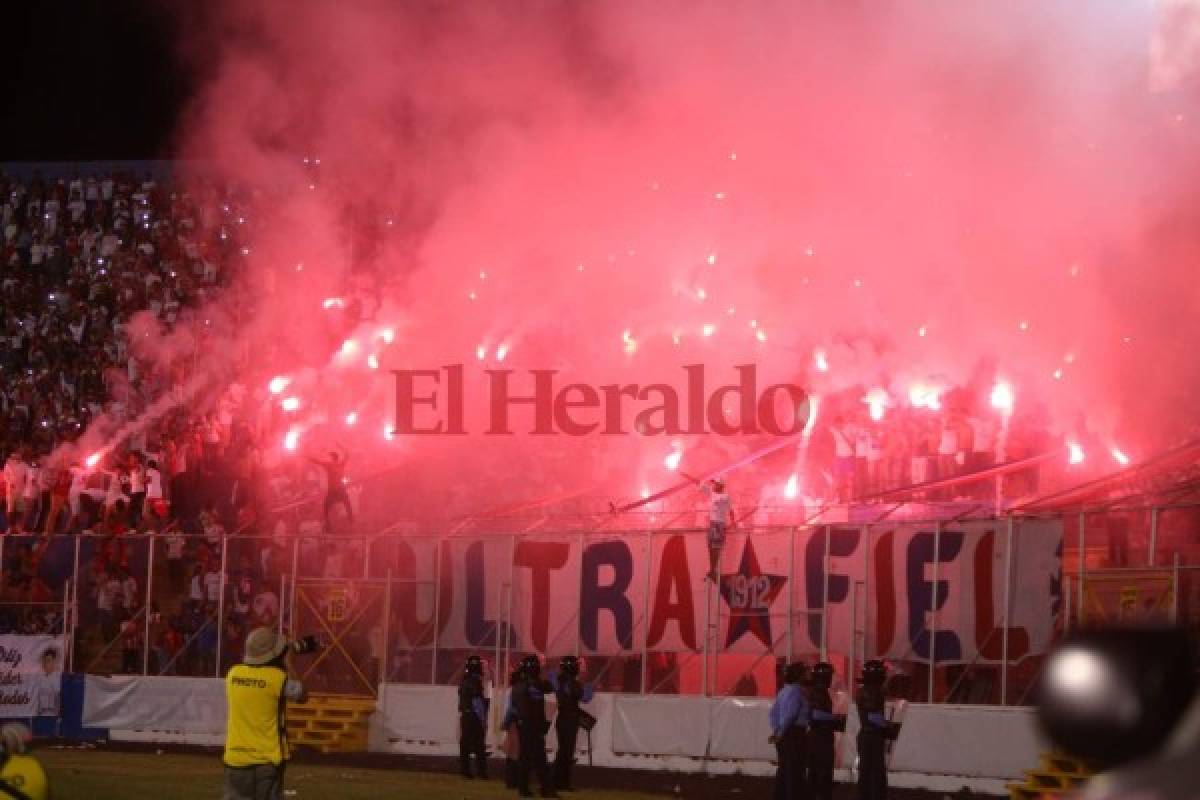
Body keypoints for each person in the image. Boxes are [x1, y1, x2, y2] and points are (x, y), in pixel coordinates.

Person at [223, 628, 311, 800]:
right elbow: (303, 695)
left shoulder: (233, 674)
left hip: (235, 759)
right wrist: (288, 662)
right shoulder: (277, 678)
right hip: (267, 759)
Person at [511, 654, 557, 798]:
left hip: (523, 724)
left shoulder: (518, 684)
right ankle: (545, 789)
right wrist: (548, 672)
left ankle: (524, 789)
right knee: (540, 759)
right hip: (532, 726)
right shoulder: (533, 684)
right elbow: (550, 687)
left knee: (524, 757)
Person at [550, 655, 594, 792]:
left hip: (562, 718)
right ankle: (561, 783)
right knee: (566, 754)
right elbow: (586, 698)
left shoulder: (560, 680)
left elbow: (553, 676)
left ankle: (558, 783)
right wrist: (587, 681)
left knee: (563, 753)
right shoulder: (571, 682)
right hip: (569, 720)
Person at [768, 661, 810, 800]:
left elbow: (773, 713)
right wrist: (781, 732)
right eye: (805, 672)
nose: (807, 675)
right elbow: (791, 714)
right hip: (794, 734)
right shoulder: (797, 691)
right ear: (799, 676)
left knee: (784, 771)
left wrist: (777, 730)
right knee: (794, 772)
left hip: (785, 734)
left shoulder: (783, 691)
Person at [855, 660, 890, 800]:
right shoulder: (872, 692)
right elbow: (873, 716)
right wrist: (887, 727)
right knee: (875, 773)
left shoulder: (864, 690)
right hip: (872, 736)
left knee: (866, 772)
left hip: (867, 735)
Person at [806, 662, 839, 800]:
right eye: (829, 676)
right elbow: (816, 714)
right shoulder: (818, 691)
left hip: (817, 737)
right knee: (822, 772)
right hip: (821, 738)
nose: (831, 678)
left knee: (814, 772)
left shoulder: (817, 690)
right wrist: (836, 719)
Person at [458, 654, 490, 780]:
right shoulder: (475, 681)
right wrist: (482, 719)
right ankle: (482, 772)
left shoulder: (465, 680)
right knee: (479, 745)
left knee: (465, 744)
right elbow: (478, 702)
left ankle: (465, 770)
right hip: (474, 716)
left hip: (465, 715)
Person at [306, 449, 353, 528]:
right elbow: (347, 455)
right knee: (346, 503)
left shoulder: (330, 465)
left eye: (330, 458)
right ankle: (350, 518)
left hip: (334, 489)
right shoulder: (340, 464)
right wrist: (340, 446)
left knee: (326, 507)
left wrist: (308, 457)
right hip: (339, 489)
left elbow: (317, 462)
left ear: (332, 458)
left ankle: (329, 522)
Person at [702, 478, 732, 582]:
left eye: (716, 484)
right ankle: (712, 570)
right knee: (710, 546)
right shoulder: (712, 493)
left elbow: (730, 510)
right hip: (712, 523)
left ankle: (713, 570)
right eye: (714, 484)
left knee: (716, 547)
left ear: (721, 486)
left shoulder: (725, 496)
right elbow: (700, 483)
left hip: (719, 524)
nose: (714, 485)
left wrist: (733, 523)